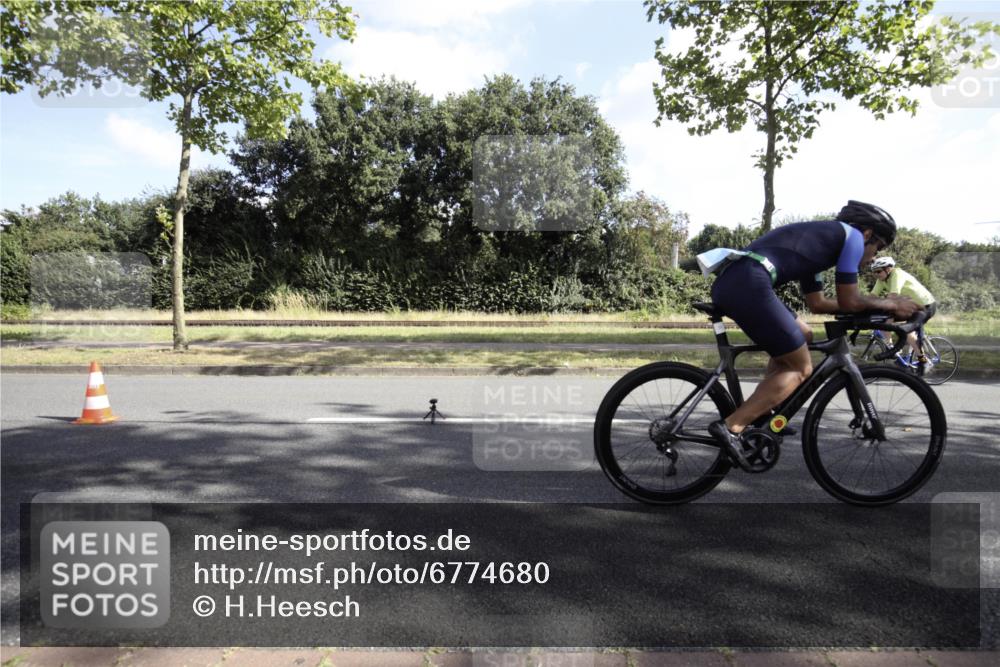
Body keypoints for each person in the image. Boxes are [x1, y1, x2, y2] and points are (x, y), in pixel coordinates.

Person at [705, 200, 922, 468]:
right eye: (878, 246)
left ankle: (766, 413)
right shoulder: (852, 237)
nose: (874, 257)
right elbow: (851, 300)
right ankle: (732, 426)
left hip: (741, 279)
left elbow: (818, 303)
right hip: (748, 281)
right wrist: (889, 304)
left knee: (804, 336)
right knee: (801, 368)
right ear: (867, 234)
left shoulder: (822, 247)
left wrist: (875, 308)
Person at [869, 256, 937, 366]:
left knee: (907, 330)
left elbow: (893, 296)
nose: (876, 274)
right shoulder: (881, 280)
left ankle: (924, 361)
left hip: (925, 306)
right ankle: (891, 348)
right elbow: (871, 297)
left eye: (878, 271)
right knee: (885, 317)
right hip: (910, 307)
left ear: (888, 269)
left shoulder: (897, 274)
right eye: (874, 272)